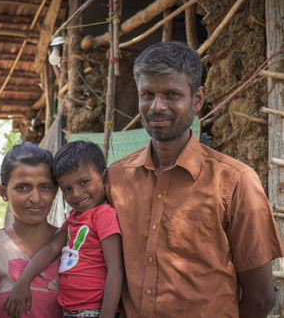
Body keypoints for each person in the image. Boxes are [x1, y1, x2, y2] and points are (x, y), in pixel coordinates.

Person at [105, 41, 284, 318]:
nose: (157, 106)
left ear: (197, 100)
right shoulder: (115, 179)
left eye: (172, 94)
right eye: (147, 94)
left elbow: (260, 299)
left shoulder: (236, 182)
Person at [3, 140, 124, 318]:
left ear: (104, 177)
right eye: (67, 189)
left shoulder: (104, 216)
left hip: (95, 311)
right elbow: (51, 248)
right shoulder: (74, 218)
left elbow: (116, 268)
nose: (76, 194)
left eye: (84, 182)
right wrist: (23, 281)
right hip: (70, 312)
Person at [0, 142, 62, 318]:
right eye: (23, 187)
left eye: (44, 187)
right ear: (3, 192)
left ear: (55, 191)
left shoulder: (73, 243)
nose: (36, 198)